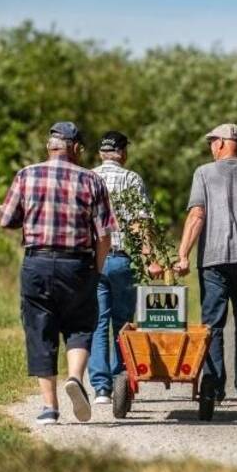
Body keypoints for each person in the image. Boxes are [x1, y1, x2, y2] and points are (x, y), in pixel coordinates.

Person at [0, 121, 117, 425]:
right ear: (75, 148)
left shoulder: (26, 175)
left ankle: (50, 408)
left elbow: (7, 220)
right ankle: (76, 378)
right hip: (77, 264)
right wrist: (96, 269)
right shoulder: (92, 180)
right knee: (80, 324)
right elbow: (104, 235)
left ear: (49, 147)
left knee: (40, 329)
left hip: (37, 263)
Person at [174, 123, 237, 403]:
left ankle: (214, 387)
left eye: (211, 142)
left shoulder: (203, 173)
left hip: (213, 260)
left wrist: (183, 254)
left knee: (212, 324)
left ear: (221, 144)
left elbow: (197, 215)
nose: (210, 147)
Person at [89, 131, 160, 404]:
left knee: (98, 322)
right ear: (123, 152)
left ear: (101, 153)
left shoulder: (89, 177)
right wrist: (149, 258)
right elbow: (139, 222)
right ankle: (121, 378)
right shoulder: (131, 179)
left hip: (93, 259)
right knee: (122, 324)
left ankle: (101, 388)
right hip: (121, 259)